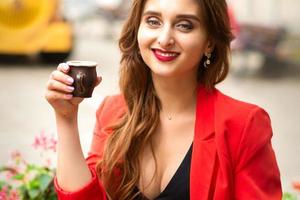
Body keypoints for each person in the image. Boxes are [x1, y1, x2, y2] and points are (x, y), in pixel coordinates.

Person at [45, 0, 282, 199]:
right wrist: (65, 118)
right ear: (137, 29)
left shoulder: (245, 124)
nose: (165, 38)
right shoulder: (113, 111)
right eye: (153, 21)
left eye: (184, 25)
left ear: (209, 41)